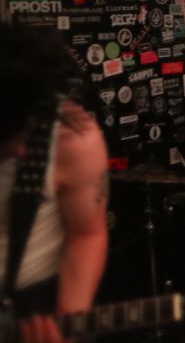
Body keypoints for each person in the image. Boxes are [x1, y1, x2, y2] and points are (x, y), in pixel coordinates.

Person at [0, 23, 109, 343]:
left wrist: (67, 322)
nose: (21, 151)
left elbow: (87, 232)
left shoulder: (71, 137)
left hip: (31, 306)